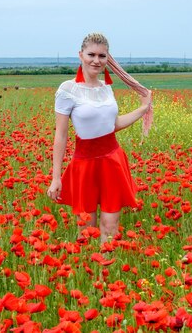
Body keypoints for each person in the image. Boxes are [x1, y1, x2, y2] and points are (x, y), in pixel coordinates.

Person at [47, 32, 152, 243]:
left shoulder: (106, 89)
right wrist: (56, 177)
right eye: (91, 55)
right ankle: (88, 270)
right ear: (80, 55)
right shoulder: (67, 90)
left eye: (102, 56)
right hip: (84, 164)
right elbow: (61, 134)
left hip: (112, 161)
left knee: (110, 226)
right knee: (86, 228)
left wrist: (143, 109)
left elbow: (112, 126)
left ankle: (105, 274)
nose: (96, 60)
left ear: (108, 59)